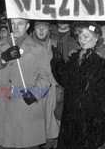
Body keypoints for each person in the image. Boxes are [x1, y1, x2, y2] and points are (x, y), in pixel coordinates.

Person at [0, 18, 55, 148]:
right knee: (5, 145)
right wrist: (3, 58)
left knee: (27, 145)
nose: (15, 27)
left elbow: (46, 76)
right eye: (12, 24)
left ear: (27, 26)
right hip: (3, 104)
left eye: (20, 24)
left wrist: (35, 93)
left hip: (26, 104)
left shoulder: (38, 48)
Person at [51, 22, 105, 148]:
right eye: (79, 37)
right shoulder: (75, 56)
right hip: (72, 116)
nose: (81, 40)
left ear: (96, 36)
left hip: (95, 117)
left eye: (85, 36)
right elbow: (65, 81)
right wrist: (58, 63)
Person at [31, 20, 60, 148]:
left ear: (50, 30)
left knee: (51, 125)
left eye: (44, 28)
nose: (41, 30)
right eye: (38, 28)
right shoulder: (27, 46)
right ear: (33, 30)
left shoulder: (56, 45)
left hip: (52, 91)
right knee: (34, 125)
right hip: (35, 89)